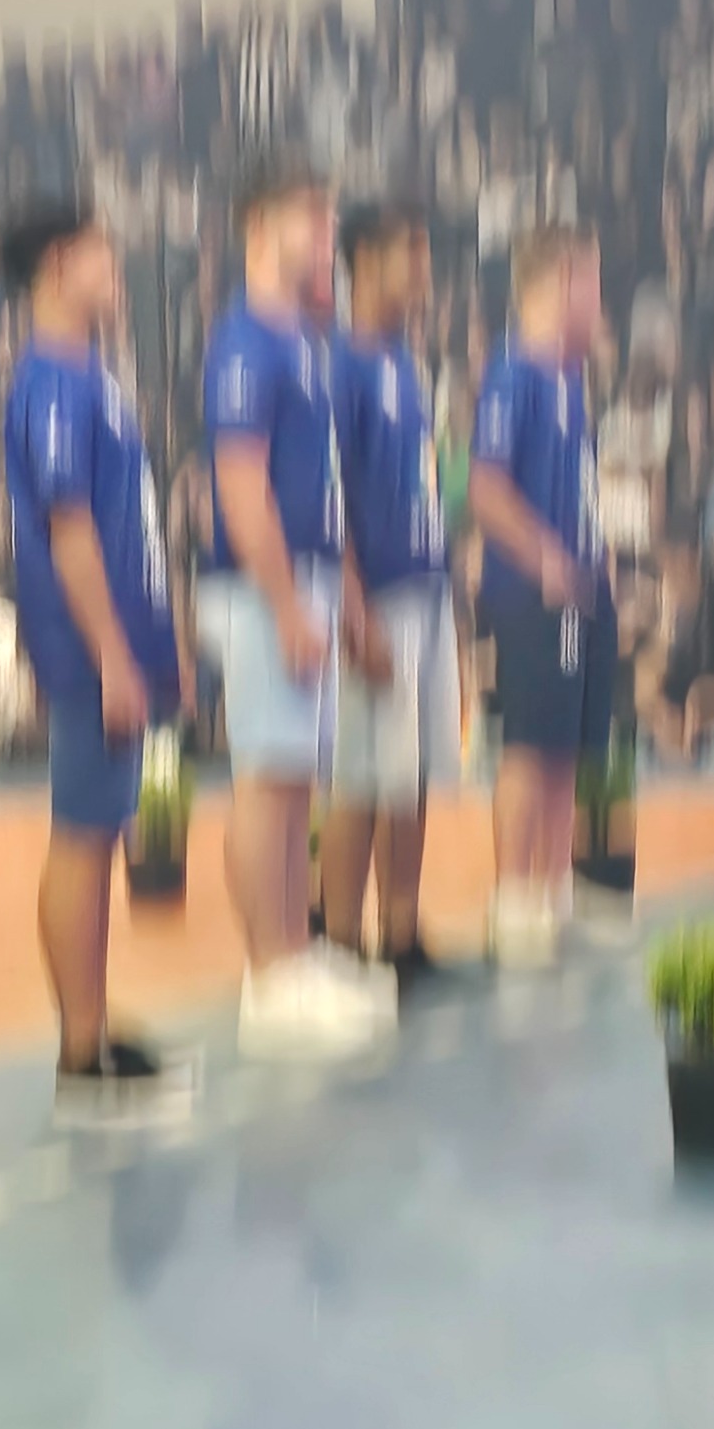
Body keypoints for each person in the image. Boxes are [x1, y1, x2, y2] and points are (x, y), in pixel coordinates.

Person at [0, 194, 195, 1124]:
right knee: (81, 837)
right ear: (57, 266)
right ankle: (81, 1052)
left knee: (103, 833)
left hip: (120, 642)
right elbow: (68, 526)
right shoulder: (51, 384)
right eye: (100, 255)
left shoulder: (91, 376)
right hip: (88, 652)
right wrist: (114, 654)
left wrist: (159, 642)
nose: (116, 270)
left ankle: (96, 1021)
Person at [200, 168, 394, 1053]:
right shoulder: (245, 344)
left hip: (305, 577)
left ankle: (293, 954)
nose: (326, 232)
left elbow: (322, 488)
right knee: (267, 778)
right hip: (260, 587)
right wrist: (283, 604)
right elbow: (241, 484)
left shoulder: (305, 343)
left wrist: (339, 597)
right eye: (308, 217)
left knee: (294, 779)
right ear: (258, 229)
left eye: (329, 216)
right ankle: (269, 973)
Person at [321, 199, 459, 987]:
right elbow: (328, 496)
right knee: (362, 777)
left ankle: (400, 931)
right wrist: (352, 606)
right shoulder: (340, 365)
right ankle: (340, 942)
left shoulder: (404, 361)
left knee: (411, 773)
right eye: (414, 254)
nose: (426, 272)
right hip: (375, 597)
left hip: (425, 585)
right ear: (368, 262)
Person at [470, 225, 614, 964]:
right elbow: (486, 488)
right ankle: (512, 899)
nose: (599, 297)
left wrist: (595, 557)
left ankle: (552, 889)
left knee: (565, 748)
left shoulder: (568, 379)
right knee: (530, 746)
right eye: (592, 280)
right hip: (533, 592)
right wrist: (547, 559)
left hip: (577, 587)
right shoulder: (513, 375)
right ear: (562, 280)